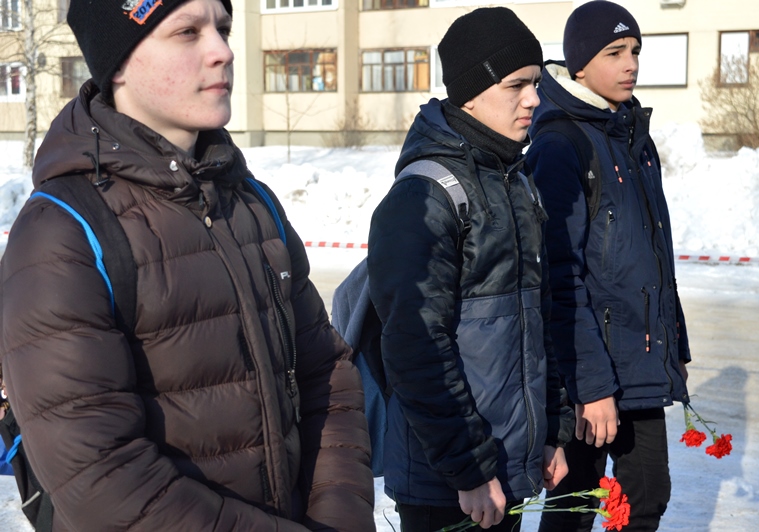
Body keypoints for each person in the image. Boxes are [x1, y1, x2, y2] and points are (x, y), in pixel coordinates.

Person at [0, 0, 375, 529]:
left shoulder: (251, 204)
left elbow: (326, 380)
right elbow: (103, 479)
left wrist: (340, 517)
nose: (222, 51)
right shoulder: (63, 230)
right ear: (119, 62)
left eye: (223, 28)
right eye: (187, 32)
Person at [367, 7, 573, 531]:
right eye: (516, 85)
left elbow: (538, 323)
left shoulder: (515, 180)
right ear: (470, 92)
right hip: (450, 483)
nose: (534, 98)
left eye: (536, 83)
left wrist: (553, 430)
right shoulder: (425, 195)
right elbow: (414, 347)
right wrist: (469, 469)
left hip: (509, 465)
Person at [526, 2, 691, 531]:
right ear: (579, 65)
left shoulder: (632, 135)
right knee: (574, 507)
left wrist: (674, 349)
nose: (631, 64)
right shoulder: (560, 144)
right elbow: (559, 276)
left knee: (647, 497)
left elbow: (654, 255)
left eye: (635, 51)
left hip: (640, 363)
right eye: (614, 52)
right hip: (587, 371)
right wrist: (590, 386)